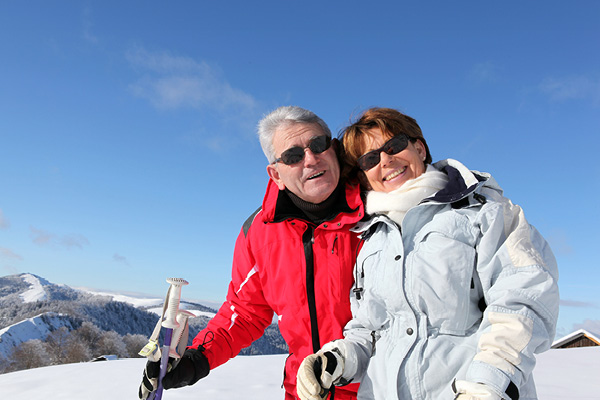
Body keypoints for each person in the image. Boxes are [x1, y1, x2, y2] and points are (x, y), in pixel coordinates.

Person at [296, 107, 559, 400]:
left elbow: (524, 302)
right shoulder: (372, 240)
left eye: (393, 146)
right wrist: (338, 358)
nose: (385, 160)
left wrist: (487, 386)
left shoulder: (485, 213)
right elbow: (370, 328)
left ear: (419, 148)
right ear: (365, 176)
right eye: (370, 159)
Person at [139, 106, 364, 400]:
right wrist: (197, 360)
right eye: (293, 156)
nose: (311, 160)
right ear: (276, 174)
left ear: (333, 149)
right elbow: (244, 313)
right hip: (305, 391)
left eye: (318, 145)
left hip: (381, 388)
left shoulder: (377, 212)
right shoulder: (259, 232)